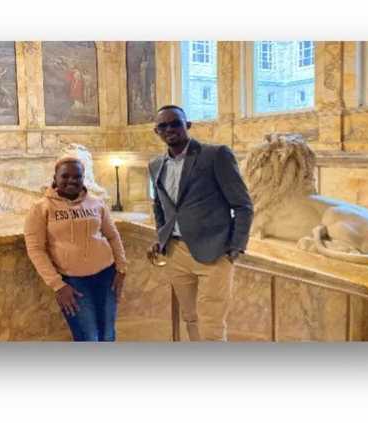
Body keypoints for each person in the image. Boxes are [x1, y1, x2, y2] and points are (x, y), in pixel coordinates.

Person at [147, 105, 253, 341]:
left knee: (212, 325)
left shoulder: (215, 155)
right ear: (156, 131)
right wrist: (161, 236)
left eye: (175, 123)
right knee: (191, 318)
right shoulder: (155, 165)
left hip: (214, 253)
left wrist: (236, 247)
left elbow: (243, 204)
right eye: (163, 126)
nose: (170, 129)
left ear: (188, 125)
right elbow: (159, 206)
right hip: (176, 253)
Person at [24, 156, 128, 341]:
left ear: (83, 178)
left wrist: (121, 268)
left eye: (77, 176)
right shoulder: (40, 208)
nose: (71, 180)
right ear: (55, 178)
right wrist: (58, 285)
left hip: (106, 276)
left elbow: (112, 235)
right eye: (65, 176)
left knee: (108, 333)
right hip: (73, 283)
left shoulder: (96, 202)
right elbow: (36, 249)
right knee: (88, 337)